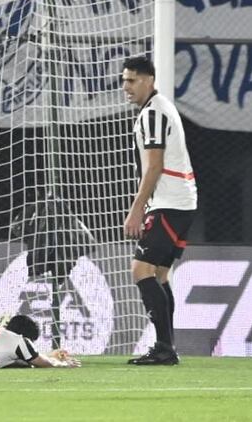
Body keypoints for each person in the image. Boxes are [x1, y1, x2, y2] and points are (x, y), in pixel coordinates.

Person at [122, 56, 197, 366]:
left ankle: (165, 348)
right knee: (161, 275)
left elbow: (155, 166)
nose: (125, 87)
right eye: (124, 80)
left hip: (170, 203)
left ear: (149, 80)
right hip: (183, 202)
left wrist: (137, 210)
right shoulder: (160, 107)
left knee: (140, 270)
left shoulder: (154, 113)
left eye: (132, 80)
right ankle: (167, 346)